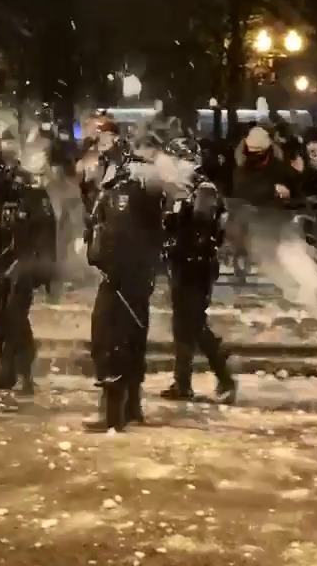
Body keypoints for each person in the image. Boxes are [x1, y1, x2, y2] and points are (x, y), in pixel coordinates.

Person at [84, 138, 163, 432]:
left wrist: (111, 263)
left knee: (109, 336)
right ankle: (130, 405)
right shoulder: (127, 186)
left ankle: (113, 411)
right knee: (130, 335)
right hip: (133, 274)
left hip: (123, 276)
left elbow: (120, 233)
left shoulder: (127, 189)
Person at [0, 145, 58, 394]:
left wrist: (38, 269)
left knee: (16, 316)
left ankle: (25, 373)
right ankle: (6, 371)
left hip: (25, 265)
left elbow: (45, 234)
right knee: (1, 318)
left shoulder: (32, 194)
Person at [160, 137, 236, 403]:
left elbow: (202, 229)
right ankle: (182, 383)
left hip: (197, 265)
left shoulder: (203, 189)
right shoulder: (185, 189)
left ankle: (224, 374)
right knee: (183, 324)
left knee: (192, 324)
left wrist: (178, 216)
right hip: (183, 263)